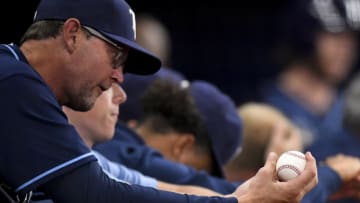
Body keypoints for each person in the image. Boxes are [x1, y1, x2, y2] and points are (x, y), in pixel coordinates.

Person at [0, 0, 318, 202]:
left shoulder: (26, 87)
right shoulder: (13, 80)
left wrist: (236, 197)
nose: (119, 77)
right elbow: (92, 192)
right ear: (72, 34)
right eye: (116, 57)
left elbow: (122, 184)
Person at [259, 0, 360, 159]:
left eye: (350, 39)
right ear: (305, 36)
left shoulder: (353, 105)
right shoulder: (267, 107)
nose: (345, 49)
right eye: (334, 36)